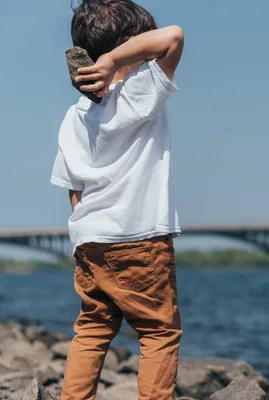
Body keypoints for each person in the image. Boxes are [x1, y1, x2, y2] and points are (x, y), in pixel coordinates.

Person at [50, 1, 185, 399]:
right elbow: (173, 36)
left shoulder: (75, 115)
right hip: (139, 236)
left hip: (90, 239)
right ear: (131, 47)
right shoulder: (139, 90)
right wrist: (114, 61)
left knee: (92, 328)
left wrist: (88, 234)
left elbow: (74, 189)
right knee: (159, 331)